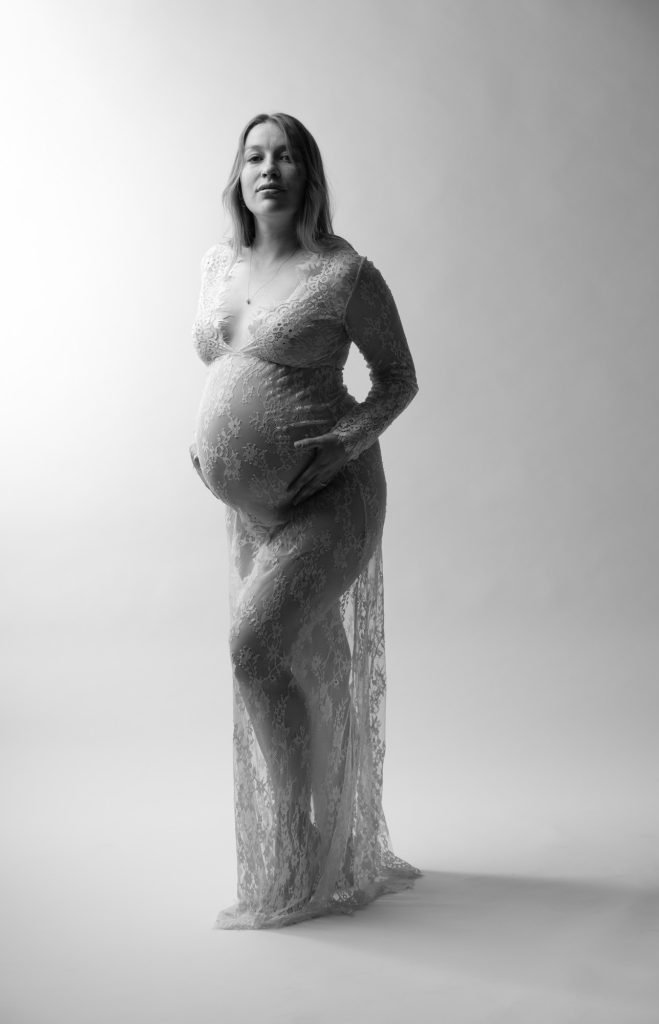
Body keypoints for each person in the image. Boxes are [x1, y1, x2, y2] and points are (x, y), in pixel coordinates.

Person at [190, 111, 421, 929]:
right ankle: (339, 846)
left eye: (285, 155)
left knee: (254, 649)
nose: (269, 168)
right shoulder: (221, 261)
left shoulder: (346, 273)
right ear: (238, 175)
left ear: (308, 175)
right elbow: (223, 358)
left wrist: (350, 434)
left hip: (333, 500)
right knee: (312, 668)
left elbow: (396, 377)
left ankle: (295, 851)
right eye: (254, 155)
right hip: (258, 509)